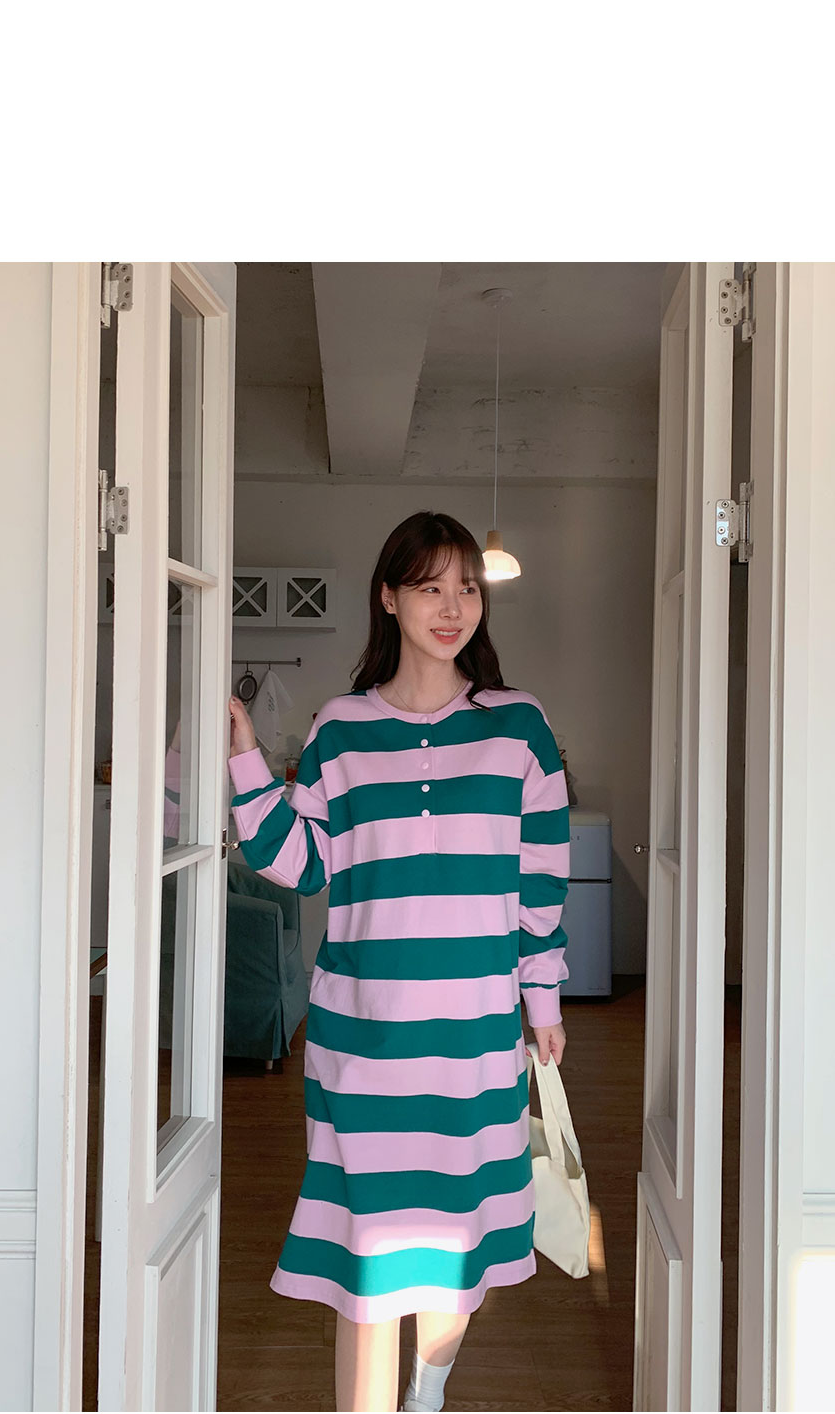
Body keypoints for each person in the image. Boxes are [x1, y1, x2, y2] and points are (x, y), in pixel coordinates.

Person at [227, 511, 570, 1413]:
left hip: (474, 1040)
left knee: (458, 1246)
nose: (452, 607)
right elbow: (301, 861)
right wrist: (245, 761)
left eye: (467, 589)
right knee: (368, 1260)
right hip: (362, 1040)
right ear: (389, 597)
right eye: (430, 588)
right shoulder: (341, 730)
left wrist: (542, 1002)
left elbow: (541, 881)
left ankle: (429, 1388)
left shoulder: (519, 727)